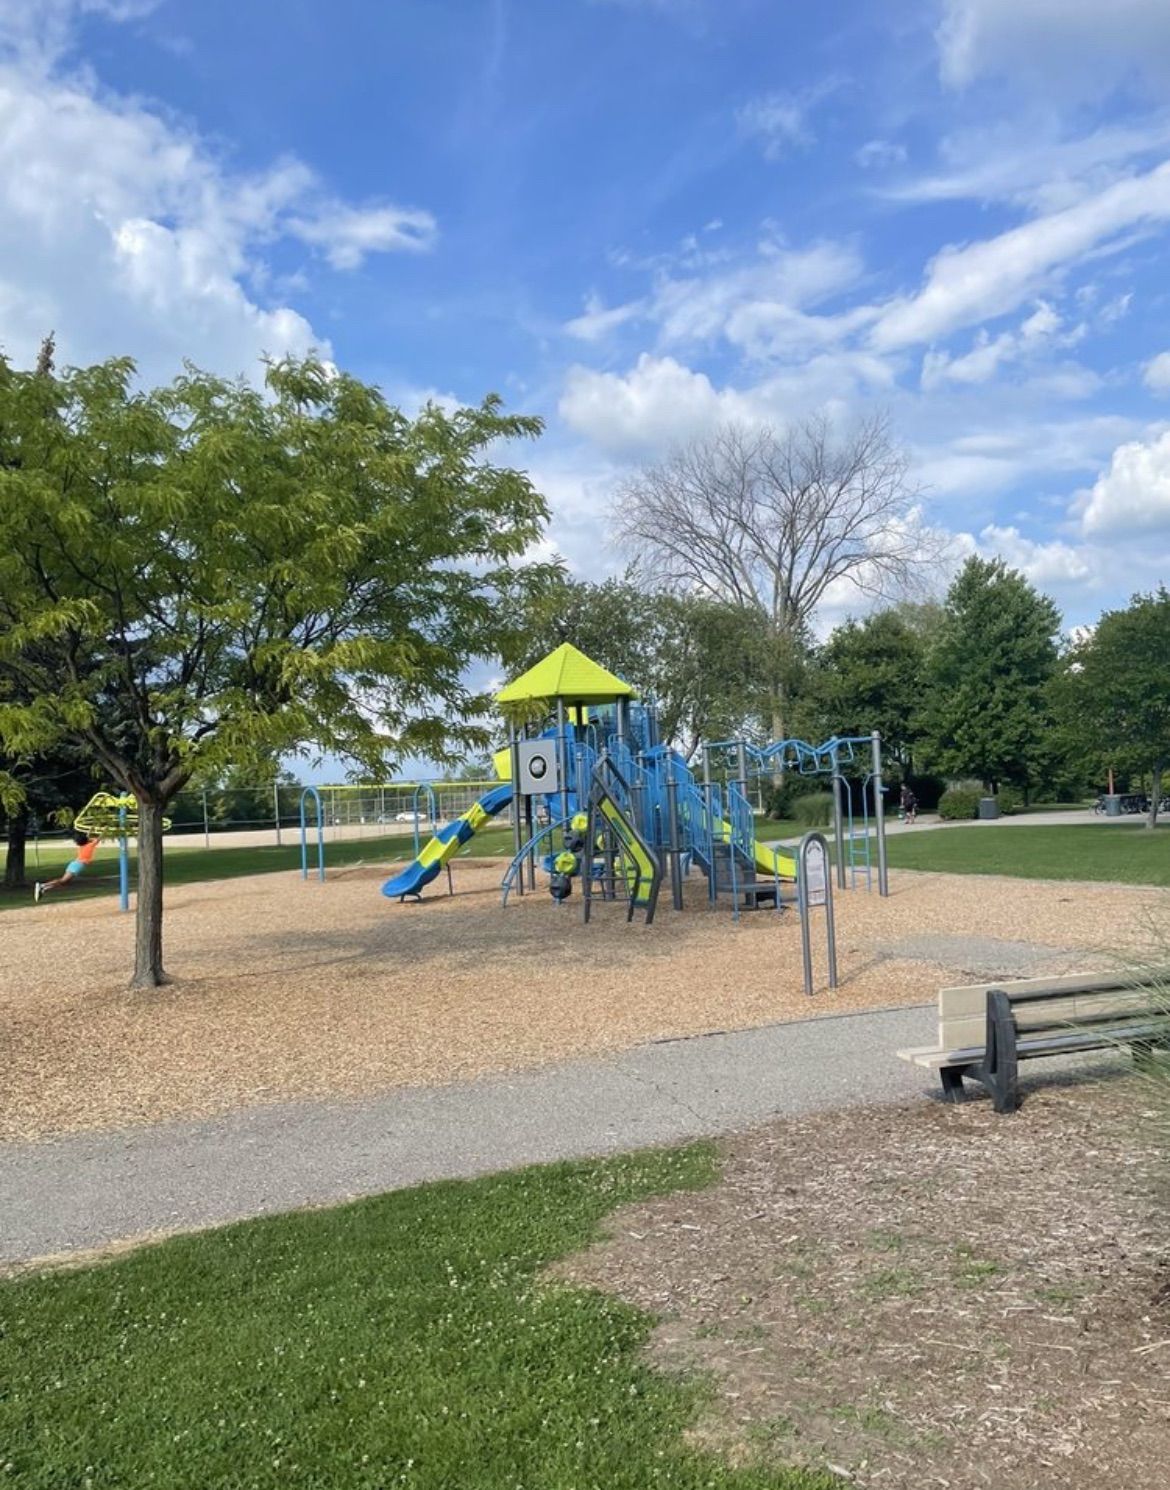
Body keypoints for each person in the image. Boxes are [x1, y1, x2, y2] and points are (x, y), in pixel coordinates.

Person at [34, 830, 100, 901]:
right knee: (63, 881)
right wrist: (103, 830)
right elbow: (98, 839)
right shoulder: (89, 845)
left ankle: (44, 888)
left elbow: (88, 838)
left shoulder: (82, 846)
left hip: (75, 864)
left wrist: (89, 834)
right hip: (78, 865)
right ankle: (42, 885)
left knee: (65, 882)